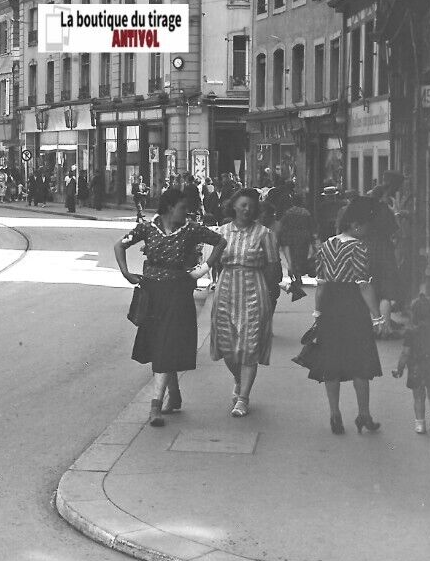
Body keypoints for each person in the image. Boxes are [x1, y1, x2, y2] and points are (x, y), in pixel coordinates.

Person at [114, 183, 224, 427]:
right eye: (182, 208)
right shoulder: (147, 228)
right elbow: (120, 245)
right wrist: (126, 273)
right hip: (152, 294)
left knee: (165, 345)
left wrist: (203, 269)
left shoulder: (191, 230)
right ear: (169, 208)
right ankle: (173, 396)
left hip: (177, 294)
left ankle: (155, 407)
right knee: (161, 345)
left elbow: (219, 242)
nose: (186, 213)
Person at [304, 197, 383, 435]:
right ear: (356, 225)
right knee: (360, 362)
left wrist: (317, 313)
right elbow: (363, 285)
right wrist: (377, 316)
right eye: (367, 226)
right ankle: (363, 414)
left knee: (332, 362)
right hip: (352, 307)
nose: (368, 230)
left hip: (329, 306)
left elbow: (321, 284)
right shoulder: (359, 247)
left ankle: (335, 414)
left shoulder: (327, 245)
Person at [207, 186, 282, 418]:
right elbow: (215, 263)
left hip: (254, 289)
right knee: (228, 347)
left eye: (251, 206)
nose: (247, 209)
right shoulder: (221, 232)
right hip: (226, 290)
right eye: (243, 205)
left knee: (250, 345)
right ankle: (238, 379)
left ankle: (243, 398)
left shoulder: (264, 234)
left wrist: (270, 294)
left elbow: (272, 265)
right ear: (234, 207)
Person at [393, 288, 430, 435]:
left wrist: (399, 369)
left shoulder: (411, 333)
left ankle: (420, 425)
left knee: (418, 397)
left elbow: (405, 353)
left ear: (415, 315)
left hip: (416, 368)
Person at [364, 176, 403, 334]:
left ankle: (375, 327)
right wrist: (396, 213)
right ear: (382, 196)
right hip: (384, 251)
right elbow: (395, 231)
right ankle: (385, 328)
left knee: (371, 288)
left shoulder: (365, 212)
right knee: (386, 292)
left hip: (368, 251)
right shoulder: (385, 210)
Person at [276, 192, 316, 299]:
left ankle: (295, 277)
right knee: (301, 256)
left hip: (290, 237)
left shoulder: (288, 212)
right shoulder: (306, 213)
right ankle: (299, 275)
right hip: (304, 237)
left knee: (292, 258)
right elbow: (310, 226)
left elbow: (282, 225)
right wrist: (312, 239)